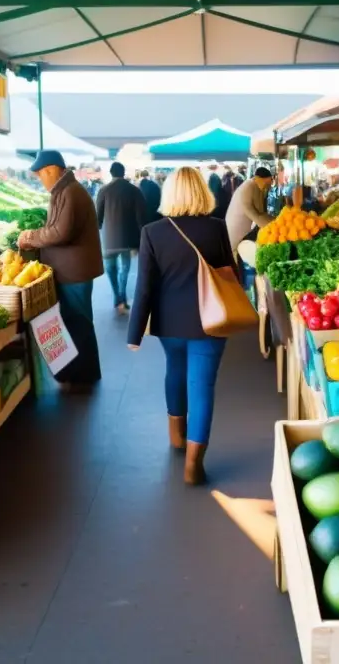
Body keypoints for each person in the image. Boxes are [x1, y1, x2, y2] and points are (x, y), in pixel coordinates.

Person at [127, 167, 237, 484]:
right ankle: (193, 464)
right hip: (210, 322)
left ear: (170, 193)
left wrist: (135, 333)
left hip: (169, 323)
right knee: (201, 388)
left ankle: (176, 436)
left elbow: (144, 286)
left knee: (174, 370)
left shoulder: (152, 232)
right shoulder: (216, 228)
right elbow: (229, 272)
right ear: (203, 192)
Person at [18, 151, 104, 391]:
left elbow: (60, 233)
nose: (41, 180)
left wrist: (31, 237)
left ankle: (84, 374)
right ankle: (80, 372)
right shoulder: (65, 191)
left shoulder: (70, 193)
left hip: (74, 272)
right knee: (76, 321)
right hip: (71, 269)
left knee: (79, 322)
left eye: (40, 175)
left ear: (51, 170)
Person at [96, 162, 146, 314]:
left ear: (111, 173)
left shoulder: (103, 190)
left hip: (109, 240)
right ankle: (122, 298)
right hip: (128, 239)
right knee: (124, 270)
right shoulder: (134, 191)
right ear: (123, 173)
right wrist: (140, 242)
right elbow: (141, 218)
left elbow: (98, 217)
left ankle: (117, 297)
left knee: (111, 269)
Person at [225, 166, 273, 251]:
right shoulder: (249, 186)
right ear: (260, 179)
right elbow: (255, 215)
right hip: (235, 234)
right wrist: (273, 226)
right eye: (267, 183)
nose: (268, 186)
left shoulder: (255, 185)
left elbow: (261, 212)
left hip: (242, 233)